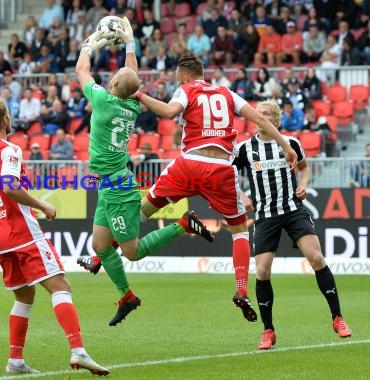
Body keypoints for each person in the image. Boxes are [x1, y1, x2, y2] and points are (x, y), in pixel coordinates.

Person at [84, 51, 298, 323]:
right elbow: (261, 121)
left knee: (137, 214)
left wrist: (138, 95)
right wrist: (286, 146)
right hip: (220, 169)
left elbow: (170, 112)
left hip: (189, 164)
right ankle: (241, 290)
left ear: (184, 77)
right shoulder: (227, 93)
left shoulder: (186, 90)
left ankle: (103, 256)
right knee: (240, 231)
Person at [75, 21, 212, 326]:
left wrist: (92, 41)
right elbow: (131, 78)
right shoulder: (133, 105)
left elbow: (82, 70)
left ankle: (182, 224)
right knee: (100, 245)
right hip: (112, 183)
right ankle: (127, 297)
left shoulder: (102, 101)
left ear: (111, 85)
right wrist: (130, 43)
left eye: (112, 78)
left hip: (116, 187)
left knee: (132, 252)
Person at [0, 97, 109, 376]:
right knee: (61, 286)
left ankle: (15, 361)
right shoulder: (9, 149)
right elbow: (9, 185)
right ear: (6, 119)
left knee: (24, 295)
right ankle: (78, 350)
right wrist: (41, 204)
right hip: (22, 231)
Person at [234, 101, 351, 349]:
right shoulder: (245, 148)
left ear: (276, 121)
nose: (260, 117)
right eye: (258, 114)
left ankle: (337, 318)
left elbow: (304, 168)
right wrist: (240, 196)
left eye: (266, 114)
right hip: (265, 215)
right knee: (263, 271)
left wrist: (304, 184)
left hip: (292, 210)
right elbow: (226, 174)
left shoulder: (290, 143)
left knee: (316, 258)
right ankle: (268, 331)